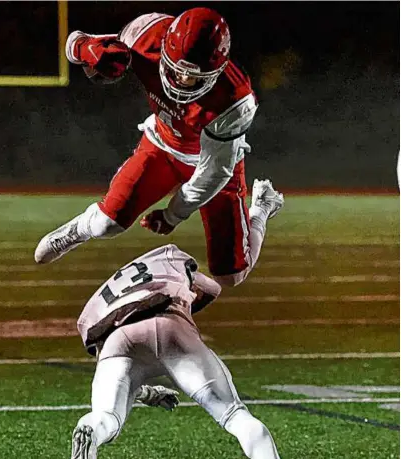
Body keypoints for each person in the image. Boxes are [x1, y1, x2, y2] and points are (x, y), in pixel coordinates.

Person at [34, 7, 284, 287]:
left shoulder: (235, 101)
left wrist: (172, 214)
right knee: (107, 223)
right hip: (162, 146)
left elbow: (211, 173)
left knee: (231, 276)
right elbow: (74, 42)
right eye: (177, 71)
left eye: (195, 77)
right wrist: (86, 50)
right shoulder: (145, 33)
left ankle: (262, 208)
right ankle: (76, 231)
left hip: (210, 163)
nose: (182, 81)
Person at [72, 243, 280, 459]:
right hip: (170, 325)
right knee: (234, 415)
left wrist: (145, 392)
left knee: (107, 417)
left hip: (116, 340)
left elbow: (112, 366)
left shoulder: (101, 298)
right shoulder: (169, 257)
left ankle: (91, 430)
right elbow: (211, 289)